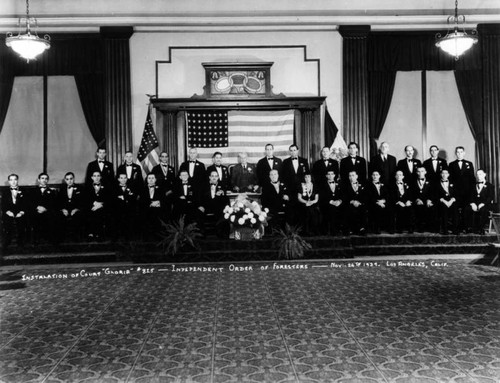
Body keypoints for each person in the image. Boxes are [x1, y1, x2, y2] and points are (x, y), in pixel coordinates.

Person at [448, 146, 475, 231]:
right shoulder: (451, 164)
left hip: (467, 192)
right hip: (456, 192)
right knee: (455, 209)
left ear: (464, 153)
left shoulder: (469, 164)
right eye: (458, 152)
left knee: (465, 209)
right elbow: (450, 179)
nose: (459, 154)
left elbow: (472, 178)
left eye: (461, 152)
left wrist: (471, 191)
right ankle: (456, 227)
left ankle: (465, 227)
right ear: (456, 153)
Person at [464, 169, 494, 234]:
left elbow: (490, 197)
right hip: (475, 203)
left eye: (480, 174)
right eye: (477, 175)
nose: (478, 176)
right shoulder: (473, 185)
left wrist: (483, 203)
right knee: (467, 209)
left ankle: (480, 228)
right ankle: (469, 228)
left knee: (483, 210)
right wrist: (472, 203)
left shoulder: (490, 186)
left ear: (484, 175)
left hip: (485, 204)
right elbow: (470, 196)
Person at [200, 170, 230, 238]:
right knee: (198, 212)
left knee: (224, 213)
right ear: (209, 177)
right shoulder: (203, 186)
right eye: (212, 176)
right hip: (206, 206)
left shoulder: (222, 186)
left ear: (218, 177)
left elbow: (226, 199)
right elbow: (200, 197)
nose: (214, 178)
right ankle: (202, 235)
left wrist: (221, 194)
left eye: (216, 176)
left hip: (218, 207)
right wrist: (201, 206)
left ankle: (221, 234)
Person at [30, 172, 57, 244]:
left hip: (47, 211)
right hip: (36, 210)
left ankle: (50, 239)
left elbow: (53, 203)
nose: (44, 180)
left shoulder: (51, 192)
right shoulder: (32, 191)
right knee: (34, 216)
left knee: (52, 216)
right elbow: (30, 202)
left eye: (46, 179)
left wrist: (45, 209)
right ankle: (35, 239)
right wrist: (37, 207)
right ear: (39, 180)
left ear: (47, 181)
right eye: (42, 178)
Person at [112, 172, 139, 241]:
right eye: (121, 178)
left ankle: (128, 237)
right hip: (118, 210)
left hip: (128, 209)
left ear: (127, 179)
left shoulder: (131, 188)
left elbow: (133, 198)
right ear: (118, 179)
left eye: (125, 178)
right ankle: (116, 237)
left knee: (130, 218)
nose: (123, 180)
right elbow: (114, 199)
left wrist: (123, 197)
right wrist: (127, 197)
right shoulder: (114, 188)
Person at [57, 172, 84, 242]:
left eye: (71, 179)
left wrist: (76, 209)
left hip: (76, 209)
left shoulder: (80, 188)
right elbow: (58, 201)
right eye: (67, 179)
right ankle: (61, 238)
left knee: (78, 216)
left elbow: (82, 201)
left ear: (74, 179)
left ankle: (76, 237)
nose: (69, 181)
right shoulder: (62, 189)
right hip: (65, 209)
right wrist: (63, 209)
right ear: (65, 180)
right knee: (59, 216)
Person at [2, 174, 27, 248]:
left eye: (15, 179)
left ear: (17, 180)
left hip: (20, 211)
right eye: (11, 180)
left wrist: (21, 212)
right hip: (9, 211)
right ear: (9, 181)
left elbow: (26, 203)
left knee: (22, 224)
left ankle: (21, 241)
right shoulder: (5, 191)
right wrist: (7, 212)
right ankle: (7, 240)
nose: (13, 181)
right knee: (7, 224)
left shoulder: (24, 191)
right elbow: (3, 204)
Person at [85, 171, 109, 241]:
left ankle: (99, 233)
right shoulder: (87, 187)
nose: (96, 178)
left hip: (102, 207)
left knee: (99, 212)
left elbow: (108, 198)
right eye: (94, 176)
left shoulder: (106, 186)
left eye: (98, 176)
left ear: (101, 177)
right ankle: (91, 233)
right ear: (92, 177)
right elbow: (85, 199)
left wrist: (101, 204)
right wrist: (94, 204)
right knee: (91, 211)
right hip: (91, 206)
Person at [318, 170, 344, 235]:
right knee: (331, 209)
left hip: (338, 203)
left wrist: (339, 201)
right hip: (327, 203)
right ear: (326, 176)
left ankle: (339, 229)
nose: (330, 176)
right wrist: (331, 202)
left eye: (332, 174)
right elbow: (322, 196)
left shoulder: (339, 184)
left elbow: (342, 194)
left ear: (334, 175)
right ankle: (331, 230)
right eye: (328, 174)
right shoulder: (322, 185)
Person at [140, 173, 165, 240]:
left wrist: (158, 202)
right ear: (147, 179)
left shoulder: (160, 188)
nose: (151, 180)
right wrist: (150, 204)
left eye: (152, 178)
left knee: (157, 225)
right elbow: (141, 200)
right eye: (149, 178)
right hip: (146, 210)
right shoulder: (142, 189)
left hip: (157, 210)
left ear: (155, 179)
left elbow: (164, 198)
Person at [412, 166, 436, 233]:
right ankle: (420, 227)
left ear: (425, 172)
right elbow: (411, 193)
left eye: (422, 171)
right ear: (417, 173)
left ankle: (431, 227)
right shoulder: (413, 182)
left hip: (427, 200)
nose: (420, 173)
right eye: (419, 171)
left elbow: (432, 192)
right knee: (419, 207)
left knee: (432, 207)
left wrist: (429, 200)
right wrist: (417, 199)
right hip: (418, 201)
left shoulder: (431, 181)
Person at [151, 151, 175, 216]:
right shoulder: (155, 168)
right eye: (163, 157)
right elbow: (153, 181)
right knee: (160, 212)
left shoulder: (171, 168)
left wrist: (170, 190)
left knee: (168, 212)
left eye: (166, 157)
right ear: (160, 158)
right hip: (159, 193)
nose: (164, 158)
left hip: (169, 194)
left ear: (168, 158)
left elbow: (174, 182)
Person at [365, 170, 390, 234]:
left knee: (391, 208)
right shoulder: (368, 185)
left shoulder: (384, 184)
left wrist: (383, 201)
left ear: (379, 176)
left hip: (383, 202)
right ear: (371, 176)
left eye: (376, 175)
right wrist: (378, 202)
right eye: (373, 175)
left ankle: (389, 228)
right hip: (373, 203)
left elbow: (387, 194)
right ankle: (377, 228)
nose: (375, 176)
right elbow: (369, 196)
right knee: (377, 208)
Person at [436, 169, 459, 235]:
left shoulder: (453, 182)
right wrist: (444, 201)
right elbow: (435, 195)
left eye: (446, 173)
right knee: (443, 209)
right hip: (442, 201)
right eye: (442, 173)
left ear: (448, 175)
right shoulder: (437, 183)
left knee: (455, 209)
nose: (444, 175)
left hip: (452, 201)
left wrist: (452, 200)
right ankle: (445, 229)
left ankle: (455, 229)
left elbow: (457, 193)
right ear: (440, 174)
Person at [343, 170, 367, 235]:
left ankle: (361, 228)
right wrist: (352, 201)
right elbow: (344, 196)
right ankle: (351, 229)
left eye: (353, 175)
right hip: (350, 203)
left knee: (362, 209)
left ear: (356, 176)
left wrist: (360, 202)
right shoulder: (345, 186)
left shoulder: (363, 185)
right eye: (350, 176)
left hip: (360, 203)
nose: (351, 177)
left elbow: (365, 195)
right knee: (349, 209)